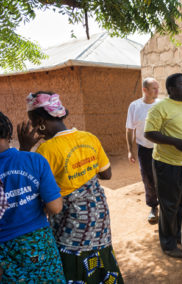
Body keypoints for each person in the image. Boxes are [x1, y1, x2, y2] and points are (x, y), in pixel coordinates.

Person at [18, 92, 124, 283]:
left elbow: (25, 186)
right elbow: (106, 174)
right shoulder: (89, 137)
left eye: (33, 123)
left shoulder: (45, 151)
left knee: (74, 262)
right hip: (99, 215)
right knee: (102, 254)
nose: (33, 128)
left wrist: (25, 150)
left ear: (40, 121)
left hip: (71, 222)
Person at [0, 111, 65, 283]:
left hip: (4, 252)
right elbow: (55, 207)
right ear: (8, 133)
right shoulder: (35, 160)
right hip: (37, 245)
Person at [144, 73, 182, 258]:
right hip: (167, 164)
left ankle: (177, 235)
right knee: (169, 205)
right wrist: (174, 142)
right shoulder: (160, 107)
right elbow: (149, 133)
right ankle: (168, 245)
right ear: (170, 89)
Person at [126, 77, 160, 224]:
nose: (157, 91)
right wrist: (130, 150)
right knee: (148, 179)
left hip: (162, 148)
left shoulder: (161, 105)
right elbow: (129, 129)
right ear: (145, 90)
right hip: (144, 149)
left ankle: (166, 206)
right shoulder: (134, 106)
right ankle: (153, 207)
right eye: (154, 88)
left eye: (158, 88)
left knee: (163, 178)